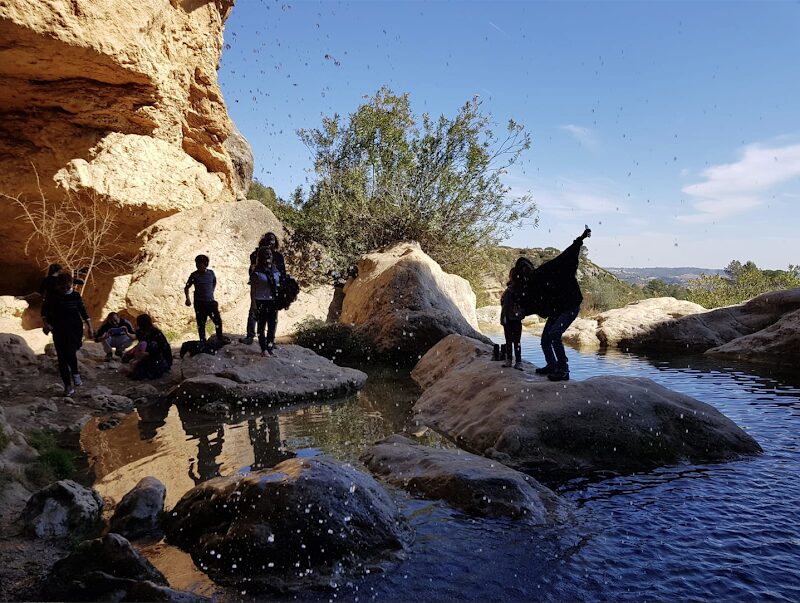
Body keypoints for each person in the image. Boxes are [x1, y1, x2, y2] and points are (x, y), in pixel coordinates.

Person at [526, 226, 592, 382]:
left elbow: (568, 253)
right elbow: (532, 301)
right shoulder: (537, 281)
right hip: (558, 309)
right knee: (545, 340)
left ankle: (563, 370)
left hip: (570, 307)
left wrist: (581, 239)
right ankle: (552, 365)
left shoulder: (552, 270)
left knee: (554, 334)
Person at [41, 272, 93, 396]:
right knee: (62, 359)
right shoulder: (52, 297)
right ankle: (68, 387)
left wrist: (90, 327)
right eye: (62, 288)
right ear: (57, 285)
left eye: (67, 287)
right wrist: (46, 324)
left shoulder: (75, 296)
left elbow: (83, 312)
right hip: (58, 329)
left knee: (70, 352)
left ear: (71, 284)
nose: (65, 290)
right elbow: (44, 313)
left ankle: (75, 373)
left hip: (74, 329)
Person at [240, 232, 285, 345]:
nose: (270, 241)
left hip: (273, 289)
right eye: (268, 239)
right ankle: (250, 336)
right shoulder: (256, 254)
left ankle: (271, 340)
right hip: (260, 285)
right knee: (254, 311)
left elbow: (283, 273)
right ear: (263, 240)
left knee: (272, 317)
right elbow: (252, 269)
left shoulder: (279, 257)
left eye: (273, 239)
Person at [184, 254, 223, 342]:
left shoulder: (211, 273)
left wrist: (211, 292)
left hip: (210, 302)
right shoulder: (194, 275)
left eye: (200, 264)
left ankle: (220, 339)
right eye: (197, 264)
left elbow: (214, 281)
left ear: (205, 264)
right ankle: (203, 341)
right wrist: (187, 299)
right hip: (199, 303)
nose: (198, 266)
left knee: (218, 321)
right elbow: (187, 287)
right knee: (201, 324)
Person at [123, 314, 173, 380]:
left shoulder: (156, 333)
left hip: (157, 356)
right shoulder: (140, 332)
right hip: (145, 354)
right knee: (127, 357)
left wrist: (148, 354)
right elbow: (141, 343)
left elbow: (162, 348)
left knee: (142, 372)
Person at [250, 248, 279, 357]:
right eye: (266, 254)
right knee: (261, 326)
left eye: (270, 254)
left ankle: (270, 348)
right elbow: (253, 289)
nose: (268, 256)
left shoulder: (275, 270)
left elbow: (279, 285)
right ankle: (263, 349)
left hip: (272, 301)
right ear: (261, 256)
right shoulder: (256, 271)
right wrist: (253, 304)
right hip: (260, 300)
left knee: (272, 326)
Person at [499, 266, 526, 370]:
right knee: (516, 341)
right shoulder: (520, 290)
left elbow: (504, 306)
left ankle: (510, 360)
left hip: (509, 319)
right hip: (516, 319)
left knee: (509, 340)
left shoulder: (509, 290)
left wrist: (503, 319)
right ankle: (517, 361)